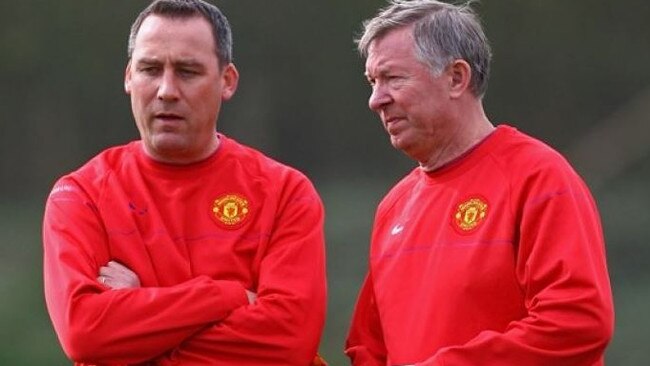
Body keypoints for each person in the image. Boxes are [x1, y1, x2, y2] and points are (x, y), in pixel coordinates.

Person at [42, 1, 328, 365]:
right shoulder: (81, 195)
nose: (166, 90)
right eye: (150, 69)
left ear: (227, 81)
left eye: (187, 71)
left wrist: (141, 320)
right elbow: (85, 333)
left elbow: (288, 342)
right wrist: (228, 296)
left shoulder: (285, 192)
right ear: (129, 77)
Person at [344, 1, 614, 365]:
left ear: (457, 78)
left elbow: (579, 321)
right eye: (372, 82)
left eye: (393, 78)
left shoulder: (539, 178)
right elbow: (369, 346)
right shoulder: (394, 206)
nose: (376, 100)